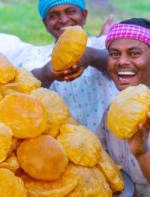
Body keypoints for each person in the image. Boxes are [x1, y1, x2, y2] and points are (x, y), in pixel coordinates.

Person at [23, 0, 119, 132]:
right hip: (65, 144)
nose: (63, 20)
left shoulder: (100, 44)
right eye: (54, 15)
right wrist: (48, 71)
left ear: (84, 15)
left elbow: (121, 64)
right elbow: (27, 81)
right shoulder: (38, 54)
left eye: (70, 11)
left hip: (112, 139)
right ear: (45, 24)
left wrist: (90, 56)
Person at [97, 18, 150, 197]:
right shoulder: (114, 109)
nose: (122, 61)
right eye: (114, 54)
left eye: (134, 53)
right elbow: (98, 158)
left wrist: (142, 152)